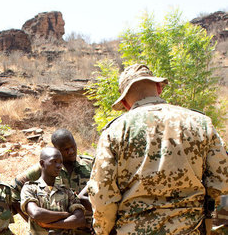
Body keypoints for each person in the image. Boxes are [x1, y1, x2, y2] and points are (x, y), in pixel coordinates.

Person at [88, 64, 228, 235]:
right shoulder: (201, 123)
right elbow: (222, 186)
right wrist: (218, 231)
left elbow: (102, 196)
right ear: (159, 88)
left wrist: (103, 231)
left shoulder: (114, 132)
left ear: (125, 103)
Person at [13, 129, 93, 233]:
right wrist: (33, 221)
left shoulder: (89, 165)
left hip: (87, 229)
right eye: (66, 149)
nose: (71, 151)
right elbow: (14, 190)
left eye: (73, 146)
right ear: (56, 149)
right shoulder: (46, 167)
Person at [20, 147, 87, 235]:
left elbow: (80, 220)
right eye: (54, 161)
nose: (59, 166)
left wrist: (51, 225)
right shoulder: (30, 188)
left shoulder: (67, 191)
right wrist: (66, 215)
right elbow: (36, 214)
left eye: (60, 162)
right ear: (42, 163)